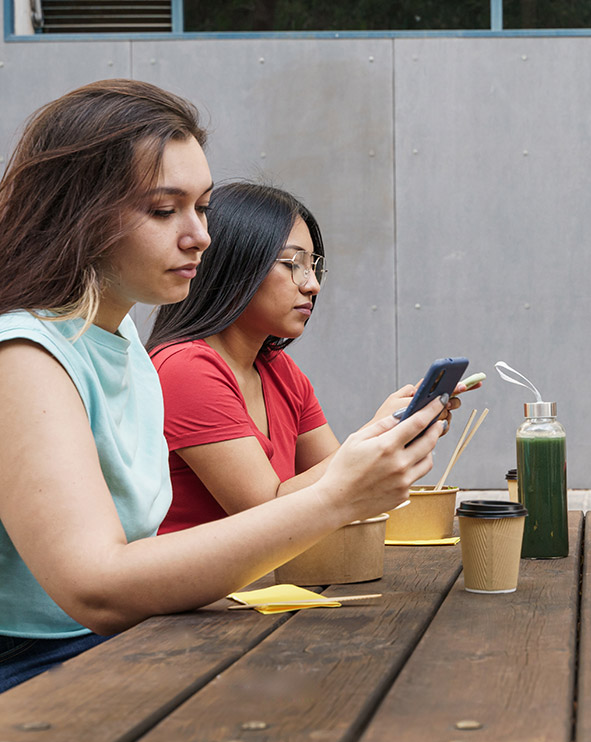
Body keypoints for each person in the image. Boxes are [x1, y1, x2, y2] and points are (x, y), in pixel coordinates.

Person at [0, 80, 446, 692]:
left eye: (202, 208)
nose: (200, 237)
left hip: (137, 635)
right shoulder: (25, 353)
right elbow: (95, 587)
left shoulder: (124, 340)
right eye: (164, 210)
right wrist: (338, 496)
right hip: (42, 663)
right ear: (78, 214)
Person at [146, 183, 466, 533]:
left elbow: (339, 486)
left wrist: (398, 431)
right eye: (294, 264)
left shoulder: (277, 369)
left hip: (265, 581)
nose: (312, 285)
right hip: (202, 587)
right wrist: (377, 432)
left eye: (314, 267)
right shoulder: (185, 368)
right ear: (235, 265)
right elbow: (265, 516)